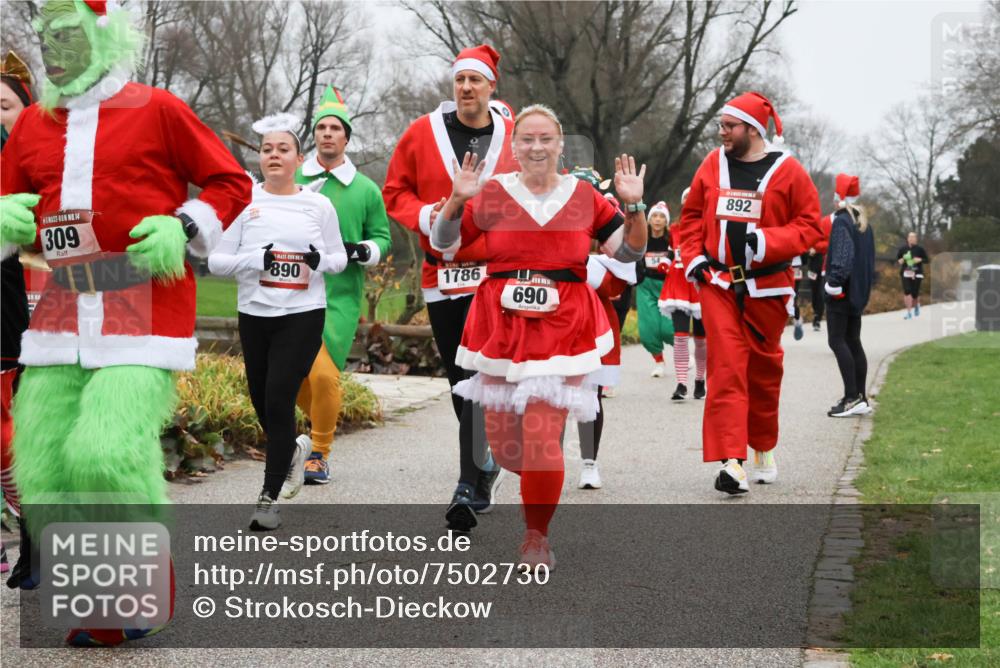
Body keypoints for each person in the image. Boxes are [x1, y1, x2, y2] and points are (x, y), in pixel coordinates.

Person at [1, 0, 251, 646]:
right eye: (45, 37)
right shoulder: (33, 125)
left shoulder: (157, 109)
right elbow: (6, 202)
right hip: (60, 316)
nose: (52, 50)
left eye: (68, 35)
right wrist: (6, 220)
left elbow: (231, 182)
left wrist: (183, 225)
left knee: (105, 453)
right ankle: (103, 609)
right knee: (45, 464)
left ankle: (146, 582)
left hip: (143, 309)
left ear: (103, 34)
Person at [430, 104, 648, 569]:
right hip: (501, 327)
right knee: (506, 447)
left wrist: (634, 207)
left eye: (545, 138)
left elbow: (629, 254)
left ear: (560, 144)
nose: (536, 147)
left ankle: (536, 536)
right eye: (527, 139)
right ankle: (518, 477)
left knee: (542, 438)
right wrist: (456, 200)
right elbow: (443, 243)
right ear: (513, 146)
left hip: (563, 328)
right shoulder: (492, 192)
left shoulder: (585, 196)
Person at [383, 44, 517, 531]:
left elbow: (540, 186)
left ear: (491, 86)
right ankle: (484, 462)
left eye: (474, 80)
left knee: (478, 373)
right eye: (460, 79)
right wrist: (429, 214)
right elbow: (394, 191)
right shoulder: (422, 132)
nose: (465, 88)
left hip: (496, 274)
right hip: (442, 274)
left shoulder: (513, 135)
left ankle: (468, 482)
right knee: (459, 380)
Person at [677, 91, 822, 494]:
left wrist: (769, 241)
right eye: (721, 125)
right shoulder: (712, 164)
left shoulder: (789, 171)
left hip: (769, 287)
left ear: (753, 130)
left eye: (730, 126)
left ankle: (762, 446)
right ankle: (731, 462)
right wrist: (694, 258)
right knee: (726, 366)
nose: (722, 132)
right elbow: (691, 216)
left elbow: (810, 225)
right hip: (719, 284)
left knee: (763, 372)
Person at [208, 114, 347, 528]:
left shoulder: (318, 205)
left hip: (302, 315)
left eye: (283, 149)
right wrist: (255, 259)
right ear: (260, 157)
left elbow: (339, 258)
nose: (274, 155)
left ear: (299, 159)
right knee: (260, 400)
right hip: (255, 314)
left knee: (279, 398)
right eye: (267, 149)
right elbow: (216, 261)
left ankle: (268, 500)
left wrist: (320, 261)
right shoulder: (245, 203)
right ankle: (292, 452)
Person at [286, 86, 391, 491]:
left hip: (339, 297)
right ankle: (312, 432)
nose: (327, 134)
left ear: (347, 138)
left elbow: (382, 237)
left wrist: (361, 250)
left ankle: (319, 453)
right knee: (295, 377)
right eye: (321, 128)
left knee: (325, 376)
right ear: (314, 135)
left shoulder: (365, 190)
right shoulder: (292, 179)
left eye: (335, 129)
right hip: (291, 292)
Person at [1, 50, 33, 587]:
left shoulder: (39, 161)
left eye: (4, 105)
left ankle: (36, 527)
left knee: (10, 433)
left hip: (20, 311)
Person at [825, 174, 875, 417]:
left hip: (841, 292)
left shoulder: (842, 221)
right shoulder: (863, 224)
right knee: (853, 340)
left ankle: (851, 397)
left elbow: (843, 257)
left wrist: (833, 283)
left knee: (836, 340)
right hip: (857, 292)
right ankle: (860, 397)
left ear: (840, 199)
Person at [659, 188, 707, 401]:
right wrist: (665, 261)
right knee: (680, 336)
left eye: (691, 197)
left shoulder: (709, 227)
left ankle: (699, 379)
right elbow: (672, 251)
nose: (688, 201)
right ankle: (681, 383)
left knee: (701, 340)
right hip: (678, 282)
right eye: (685, 198)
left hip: (700, 284)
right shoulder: (675, 228)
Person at [637, 201, 675, 377]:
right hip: (646, 286)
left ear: (666, 221)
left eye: (661, 217)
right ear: (649, 219)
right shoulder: (642, 238)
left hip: (667, 286)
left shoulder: (671, 240)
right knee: (647, 329)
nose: (658, 220)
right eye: (654, 216)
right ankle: (659, 361)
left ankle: (682, 352)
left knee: (668, 328)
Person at [897, 231, 928, 319]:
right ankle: (909, 312)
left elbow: (927, 260)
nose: (911, 239)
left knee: (914, 293)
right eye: (910, 237)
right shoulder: (903, 249)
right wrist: (901, 260)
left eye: (913, 237)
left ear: (916, 239)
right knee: (907, 291)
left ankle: (916, 305)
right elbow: (899, 259)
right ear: (907, 239)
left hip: (917, 273)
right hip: (906, 272)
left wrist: (920, 260)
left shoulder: (920, 249)